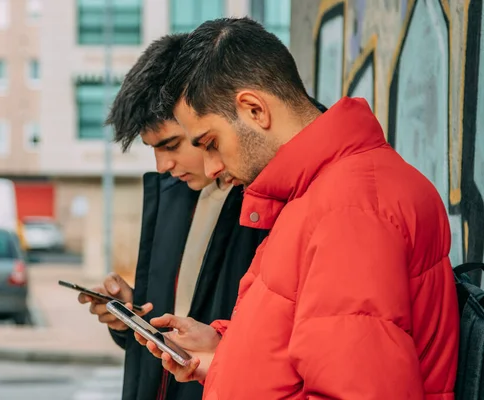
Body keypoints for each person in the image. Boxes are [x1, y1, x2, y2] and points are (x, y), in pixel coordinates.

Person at [137, 17, 460, 399]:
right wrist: (224, 351)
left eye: (210, 143)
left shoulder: (350, 211)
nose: (211, 168)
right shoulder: (322, 194)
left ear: (254, 110)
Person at [77, 33, 268, 400]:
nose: (163, 166)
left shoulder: (266, 199)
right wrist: (129, 317)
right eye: (153, 150)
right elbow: (170, 322)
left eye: (171, 145)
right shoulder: (172, 194)